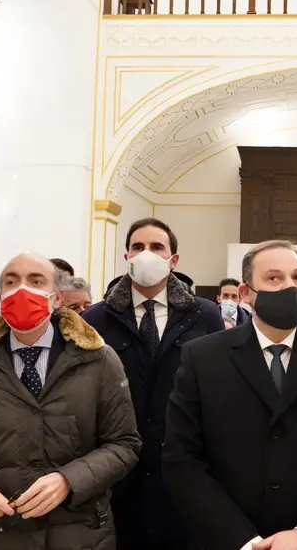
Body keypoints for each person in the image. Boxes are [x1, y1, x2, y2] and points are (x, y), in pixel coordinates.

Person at [162, 240, 297, 550]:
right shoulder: (202, 359)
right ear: (245, 293)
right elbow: (181, 459)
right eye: (274, 278)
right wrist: (242, 540)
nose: (290, 287)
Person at [0, 253, 142, 549]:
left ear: (57, 298)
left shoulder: (97, 359)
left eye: (36, 281)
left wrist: (68, 480)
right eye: (11, 281)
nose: (22, 289)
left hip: (80, 534)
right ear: (0, 297)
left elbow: (124, 444)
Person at [82, 218, 225, 550]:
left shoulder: (205, 316)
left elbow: (218, 392)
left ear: (173, 260)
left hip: (182, 468)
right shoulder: (95, 319)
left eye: (157, 247)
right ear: (126, 256)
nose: (146, 254)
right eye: (138, 247)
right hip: (116, 473)